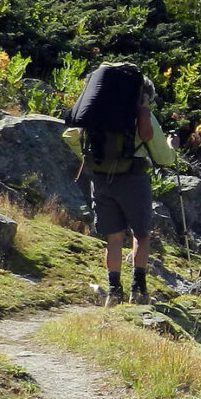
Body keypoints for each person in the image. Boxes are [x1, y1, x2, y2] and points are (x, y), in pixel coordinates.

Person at [62, 64, 179, 306]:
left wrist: (95, 161)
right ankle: (138, 289)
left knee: (113, 238)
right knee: (141, 234)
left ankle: (114, 291)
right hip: (133, 180)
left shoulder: (95, 115)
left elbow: (72, 138)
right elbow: (163, 158)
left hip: (101, 180)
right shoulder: (140, 116)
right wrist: (172, 145)